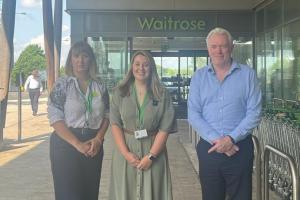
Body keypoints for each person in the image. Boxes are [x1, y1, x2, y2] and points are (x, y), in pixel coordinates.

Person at [188, 27, 262, 200]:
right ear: (208, 49)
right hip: (209, 150)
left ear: (232, 47)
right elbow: (193, 113)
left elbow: (255, 112)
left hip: (239, 149)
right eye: (214, 46)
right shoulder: (198, 77)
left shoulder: (248, 75)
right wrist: (217, 140)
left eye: (223, 46)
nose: (218, 51)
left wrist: (230, 139)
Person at [109, 50, 177, 200]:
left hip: (154, 153)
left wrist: (151, 156)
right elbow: (115, 124)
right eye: (137, 64)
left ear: (151, 67)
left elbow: (165, 129)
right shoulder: (119, 93)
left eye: (146, 65)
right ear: (131, 66)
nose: (141, 68)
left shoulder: (162, 94)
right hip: (125, 153)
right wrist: (126, 154)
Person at [47, 41, 110, 200]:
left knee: (90, 193)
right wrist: (77, 144)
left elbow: (108, 114)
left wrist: (99, 139)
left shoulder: (100, 86)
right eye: (76, 56)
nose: (80, 61)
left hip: (93, 144)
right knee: (68, 195)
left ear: (91, 60)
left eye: (85, 56)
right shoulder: (62, 84)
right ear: (71, 60)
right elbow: (55, 117)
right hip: (66, 144)